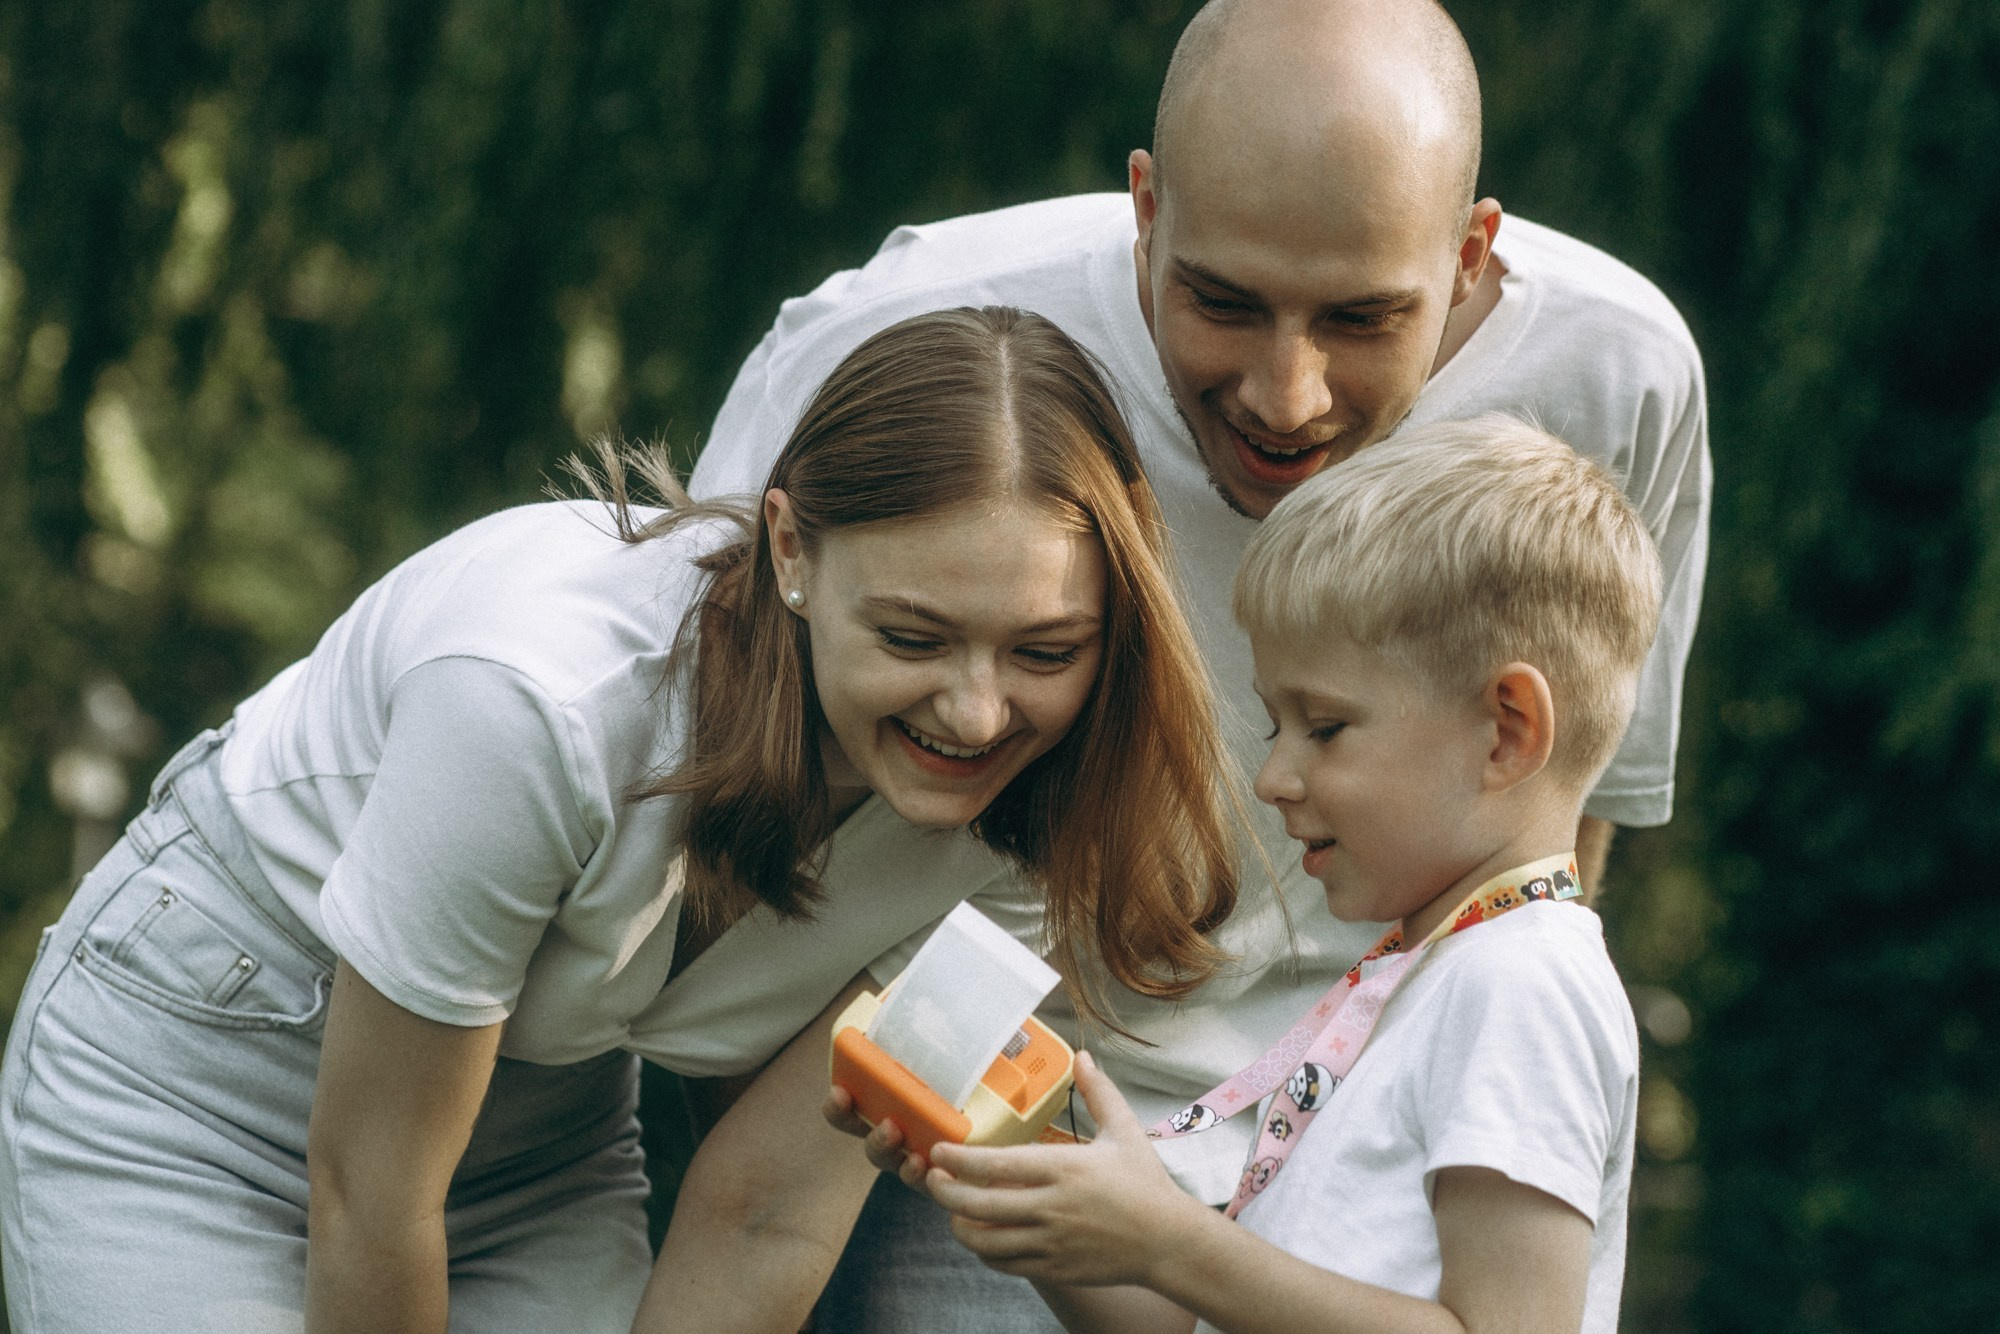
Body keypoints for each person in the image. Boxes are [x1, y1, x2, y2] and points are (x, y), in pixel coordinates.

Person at [660, 0, 1707, 1327]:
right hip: (1011, 1025)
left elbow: (1574, 808)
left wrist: (1401, 1072)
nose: (1288, 395)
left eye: (1362, 319)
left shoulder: (1617, 372)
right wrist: (1078, 1196)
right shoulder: (899, 340)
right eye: (1223, 302)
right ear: (1143, 211)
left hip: (1353, 1088)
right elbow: (721, 803)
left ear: (1472, 258)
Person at [0, 306, 1239, 1334]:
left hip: (532, 1148)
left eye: (1044, 648)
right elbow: (371, 1188)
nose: (976, 714)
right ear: (791, 548)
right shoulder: (536, 702)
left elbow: (762, 1216)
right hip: (200, 1079)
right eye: (912, 637)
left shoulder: (1032, 835)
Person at [924, 416, 1660, 1334]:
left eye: (1325, 727)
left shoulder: (1520, 984)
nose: (1273, 779)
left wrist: (1172, 1245)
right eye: (1277, 727)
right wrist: (998, 1149)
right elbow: (1180, 1323)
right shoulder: (1425, 978)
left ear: (1506, 731)